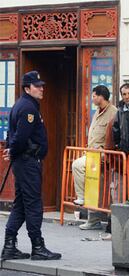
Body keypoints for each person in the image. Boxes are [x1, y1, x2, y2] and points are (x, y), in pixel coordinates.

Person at [1, 71, 61, 260]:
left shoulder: (22, 104)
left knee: (20, 204)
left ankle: (9, 245)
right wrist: (13, 149)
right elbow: (20, 136)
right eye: (38, 86)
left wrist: (12, 150)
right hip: (28, 162)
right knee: (34, 204)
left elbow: (13, 135)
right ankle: (38, 246)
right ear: (28, 88)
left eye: (42, 85)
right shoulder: (28, 108)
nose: (42, 88)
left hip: (23, 161)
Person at [71, 85, 117, 230]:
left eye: (94, 96)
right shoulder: (97, 112)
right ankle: (93, 220)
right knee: (94, 186)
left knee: (77, 165)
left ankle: (82, 197)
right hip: (92, 155)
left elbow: (113, 136)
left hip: (104, 155)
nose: (92, 98)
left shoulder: (113, 113)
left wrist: (106, 152)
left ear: (101, 97)